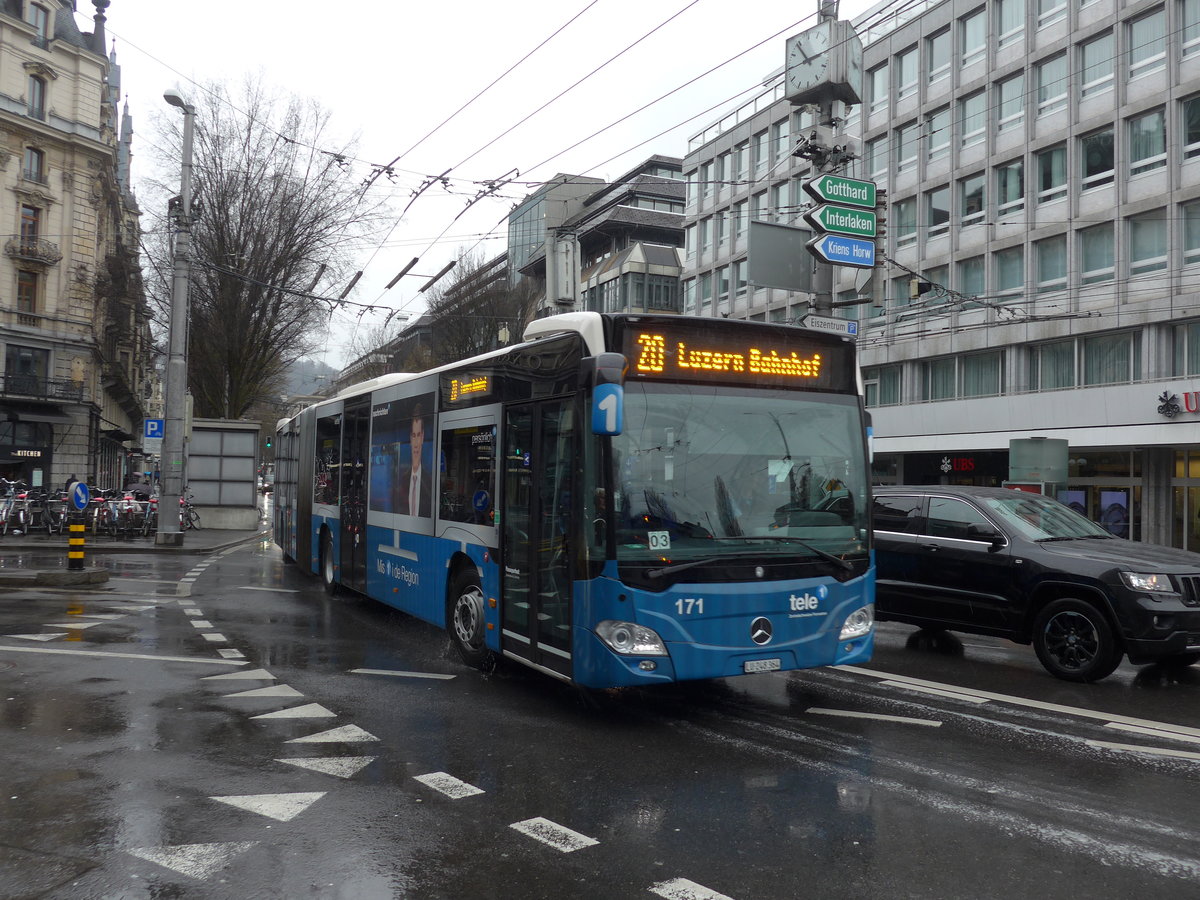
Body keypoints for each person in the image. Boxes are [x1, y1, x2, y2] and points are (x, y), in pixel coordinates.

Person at [398, 402, 432, 517]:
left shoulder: (429, 482)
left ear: (422, 437)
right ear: (410, 439)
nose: (416, 444)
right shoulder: (403, 480)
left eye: (418, 435)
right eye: (413, 435)